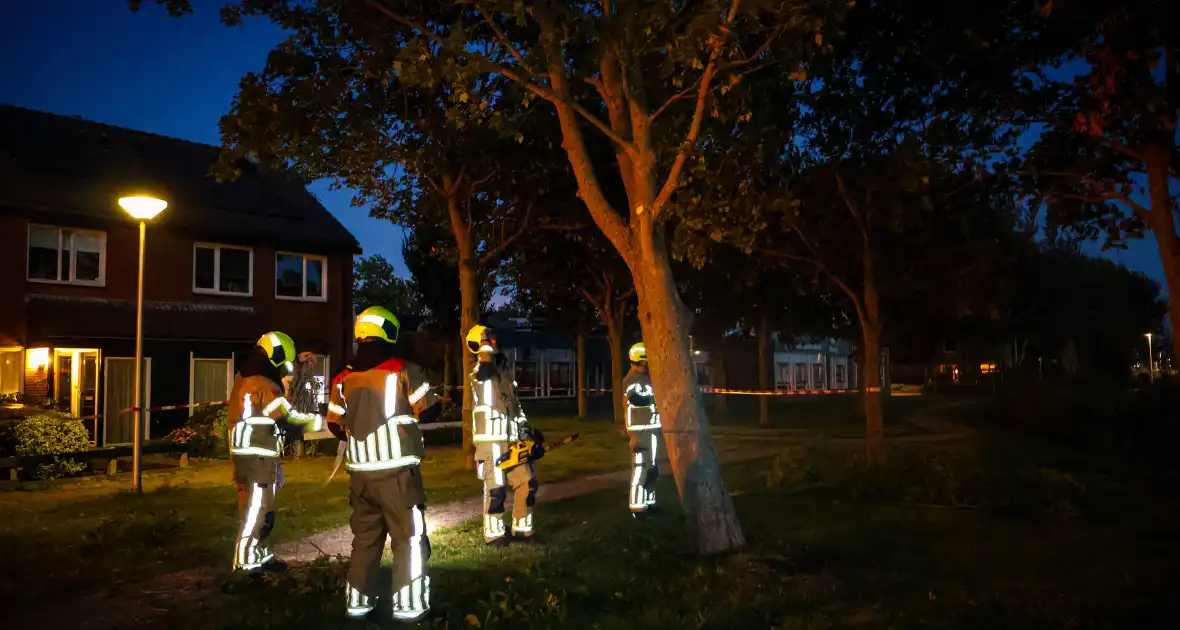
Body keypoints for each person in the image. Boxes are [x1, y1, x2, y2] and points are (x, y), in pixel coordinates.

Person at [327, 306, 442, 623]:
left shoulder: (343, 378)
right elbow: (430, 409)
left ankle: (358, 606)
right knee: (409, 539)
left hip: (360, 476)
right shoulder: (403, 369)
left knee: (365, 540)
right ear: (388, 333)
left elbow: (334, 425)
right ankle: (411, 609)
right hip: (397, 475)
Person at [226, 331, 324, 572]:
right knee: (257, 512)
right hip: (258, 456)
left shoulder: (243, 378)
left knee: (253, 510)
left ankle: (256, 555)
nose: (284, 370)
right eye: (283, 364)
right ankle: (246, 562)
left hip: (244, 456)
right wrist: (317, 422)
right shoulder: (265, 385)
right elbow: (287, 418)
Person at [466, 324, 542, 547]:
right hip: (490, 443)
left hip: (512, 440)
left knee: (527, 483)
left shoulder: (505, 374)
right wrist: (485, 350)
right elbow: (485, 372)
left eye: (492, 338)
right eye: (486, 340)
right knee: (496, 490)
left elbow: (515, 407)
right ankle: (495, 535)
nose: (491, 342)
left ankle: (523, 530)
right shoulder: (477, 372)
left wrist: (527, 433)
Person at [622, 342, 661, 515]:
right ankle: (637, 506)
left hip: (652, 428)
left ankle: (649, 501)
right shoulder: (631, 379)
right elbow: (636, 398)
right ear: (640, 361)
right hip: (640, 430)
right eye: (647, 362)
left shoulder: (647, 378)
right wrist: (656, 400)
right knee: (640, 467)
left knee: (652, 468)